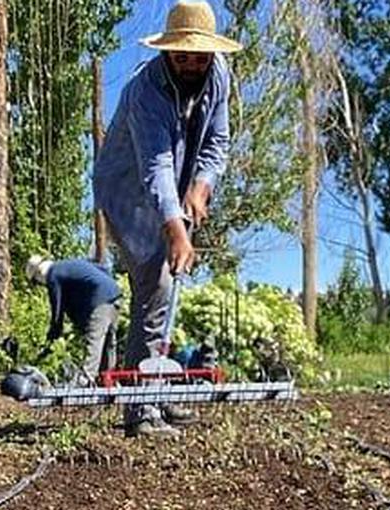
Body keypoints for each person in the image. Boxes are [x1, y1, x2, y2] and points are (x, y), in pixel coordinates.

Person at [92, 0, 242, 437]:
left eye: (199, 55)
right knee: (156, 282)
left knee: (169, 283)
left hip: (175, 189)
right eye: (182, 55)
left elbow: (218, 142)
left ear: (211, 53)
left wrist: (201, 186)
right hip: (128, 191)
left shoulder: (218, 77)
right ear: (167, 52)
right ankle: (141, 408)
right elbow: (154, 167)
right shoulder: (145, 90)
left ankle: (153, 388)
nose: (191, 63)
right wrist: (175, 227)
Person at [26, 255, 121, 385]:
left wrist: (53, 335)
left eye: (36, 282)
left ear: (38, 274)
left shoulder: (53, 274)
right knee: (109, 342)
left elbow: (57, 310)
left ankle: (84, 380)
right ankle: (108, 380)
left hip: (100, 300)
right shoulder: (67, 266)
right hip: (114, 293)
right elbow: (103, 270)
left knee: (94, 340)